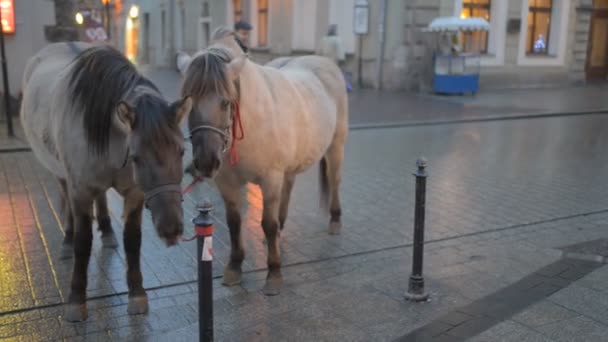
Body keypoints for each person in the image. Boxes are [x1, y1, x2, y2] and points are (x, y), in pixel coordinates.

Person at [317, 25, 352, 92]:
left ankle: (325, 86)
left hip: (324, 61)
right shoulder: (337, 40)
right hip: (334, 61)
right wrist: (342, 60)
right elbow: (340, 51)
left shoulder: (324, 39)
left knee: (325, 75)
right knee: (334, 75)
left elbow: (319, 51)